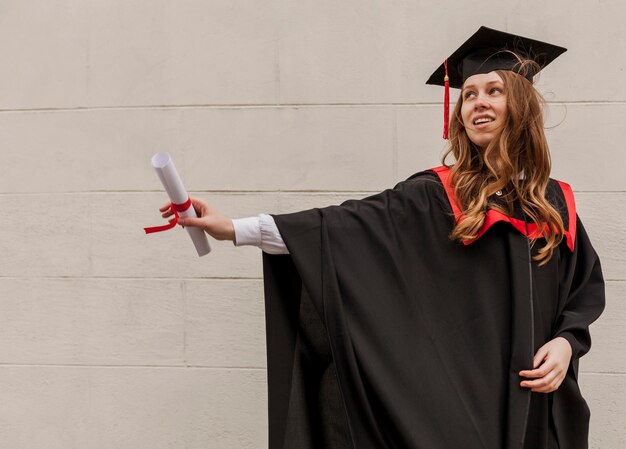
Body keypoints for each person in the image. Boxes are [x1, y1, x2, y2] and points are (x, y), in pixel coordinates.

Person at [159, 27, 605, 449]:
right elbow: (338, 230)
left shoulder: (553, 203)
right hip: (465, 405)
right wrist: (233, 228)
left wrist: (567, 343)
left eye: (494, 91)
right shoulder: (436, 194)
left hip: (536, 401)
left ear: (522, 106)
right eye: (469, 94)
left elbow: (583, 292)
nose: (478, 103)